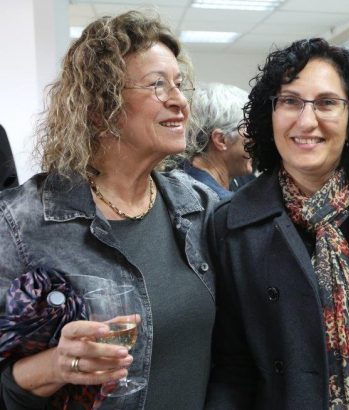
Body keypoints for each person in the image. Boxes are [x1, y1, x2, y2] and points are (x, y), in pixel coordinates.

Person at [0, 11, 218, 409]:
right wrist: (54, 366)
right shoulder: (18, 223)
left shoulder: (201, 209)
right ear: (100, 106)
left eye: (179, 84)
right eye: (157, 84)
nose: (180, 101)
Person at [209, 38, 349, 409]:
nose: (306, 121)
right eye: (290, 101)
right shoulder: (231, 224)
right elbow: (231, 367)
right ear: (269, 113)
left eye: (327, 103)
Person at [183, 82, 253, 199]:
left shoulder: (242, 179)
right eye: (250, 133)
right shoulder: (197, 199)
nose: (256, 142)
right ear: (221, 140)